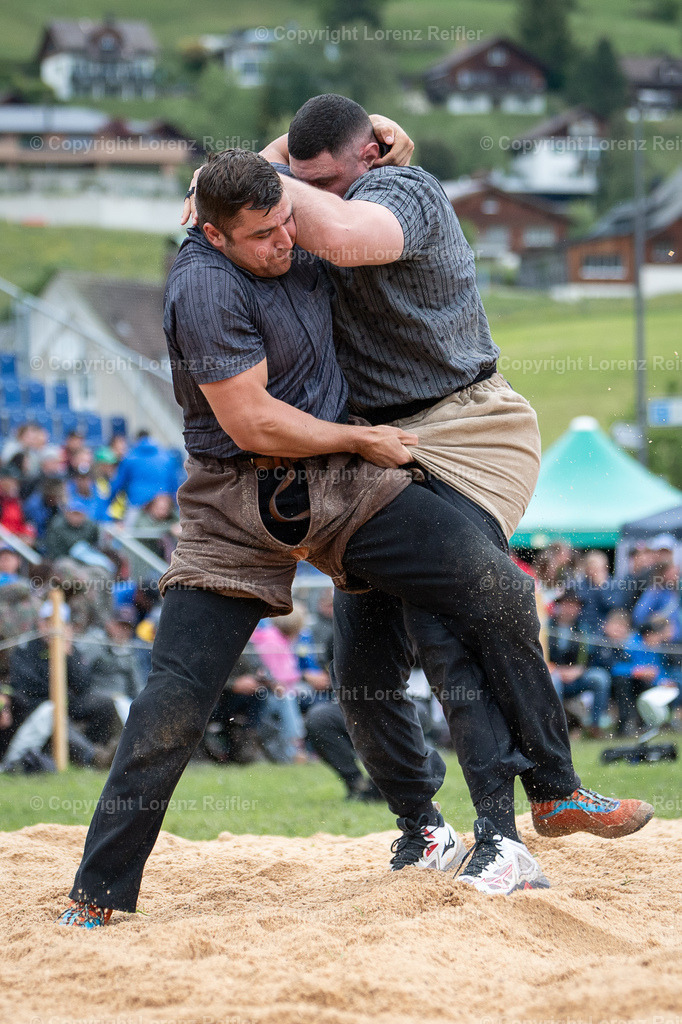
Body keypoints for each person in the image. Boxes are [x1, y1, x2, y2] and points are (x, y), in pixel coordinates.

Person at [58, 149, 650, 929]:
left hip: (342, 488)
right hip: (237, 502)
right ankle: (99, 895)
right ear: (213, 233)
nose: (285, 242)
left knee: (496, 589)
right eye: (262, 235)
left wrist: (363, 137)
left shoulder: (275, 223)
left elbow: (294, 159)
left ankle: (550, 790)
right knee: (175, 698)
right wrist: (360, 438)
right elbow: (253, 421)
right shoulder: (201, 284)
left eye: (286, 223)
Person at [244, 94, 651, 876]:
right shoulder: (309, 194)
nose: (306, 201)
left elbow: (343, 235)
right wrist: (271, 164)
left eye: (326, 181)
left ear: (369, 158)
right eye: (300, 180)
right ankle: (425, 827)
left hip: (469, 430)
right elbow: (207, 198)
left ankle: (510, 828)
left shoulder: (405, 189)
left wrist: (275, 182)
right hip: (375, 447)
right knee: (362, 664)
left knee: (451, 616)